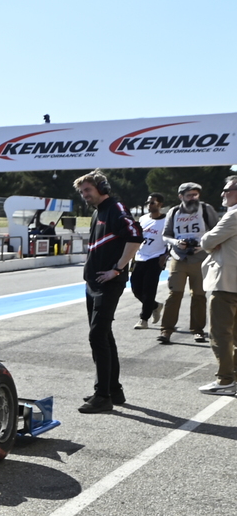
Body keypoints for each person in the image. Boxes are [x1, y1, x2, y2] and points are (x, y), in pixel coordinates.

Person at [76, 170, 142, 413]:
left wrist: (117, 269)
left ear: (102, 187)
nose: (84, 195)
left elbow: (135, 237)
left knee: (97, 336)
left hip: (108, 283)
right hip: (93, 283)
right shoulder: (98, 212)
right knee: (104, 336)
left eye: (88, 190)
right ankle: (113, 389)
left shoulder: (116, 208)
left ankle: (102, 396)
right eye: (82, 192)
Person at [158, 182, 221, 345]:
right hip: (178, 258)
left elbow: (217, 232)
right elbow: (166, 235)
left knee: (199, 295)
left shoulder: (206, 209)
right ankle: (166, 330)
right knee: (174, 294)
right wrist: (176, 242)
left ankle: (198, 330)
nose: (193, 198)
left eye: (195, 195)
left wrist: (203, 246)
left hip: (201, 258)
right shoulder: (174, 211)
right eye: (189, 195)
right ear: (181, 197)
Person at [198, 175, 237, 395]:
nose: (223, 193)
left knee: (221, 334)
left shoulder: (233, 214)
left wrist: (213, 243)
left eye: (227, 190)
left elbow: (207, 241)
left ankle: (225, 381)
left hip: (226, 283)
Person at [130, 194, 168, 329]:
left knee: (149, 290)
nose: (149, 205)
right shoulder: (143, 219)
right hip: (140, 257)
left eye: (152, 203)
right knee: (136, 289)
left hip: (156, 258)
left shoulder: (167, 221)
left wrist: (166, 255)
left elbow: (171, 239)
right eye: (148, 203)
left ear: (160, 204)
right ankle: (155, 306)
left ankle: (144, 319)